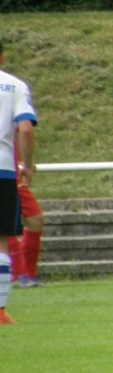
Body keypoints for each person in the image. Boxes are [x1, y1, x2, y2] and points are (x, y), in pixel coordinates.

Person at [0, 38, 38, 324]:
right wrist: (26, 164)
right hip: (2, 172)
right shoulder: (14, 85)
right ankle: (0, 311)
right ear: (1, 57)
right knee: (1, 241)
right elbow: (25, 128)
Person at [8, 182, 43, 288]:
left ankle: (28, 275)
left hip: (13, 178)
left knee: (35, 220)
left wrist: (28, 165)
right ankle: (18, 275)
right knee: (6, 223)